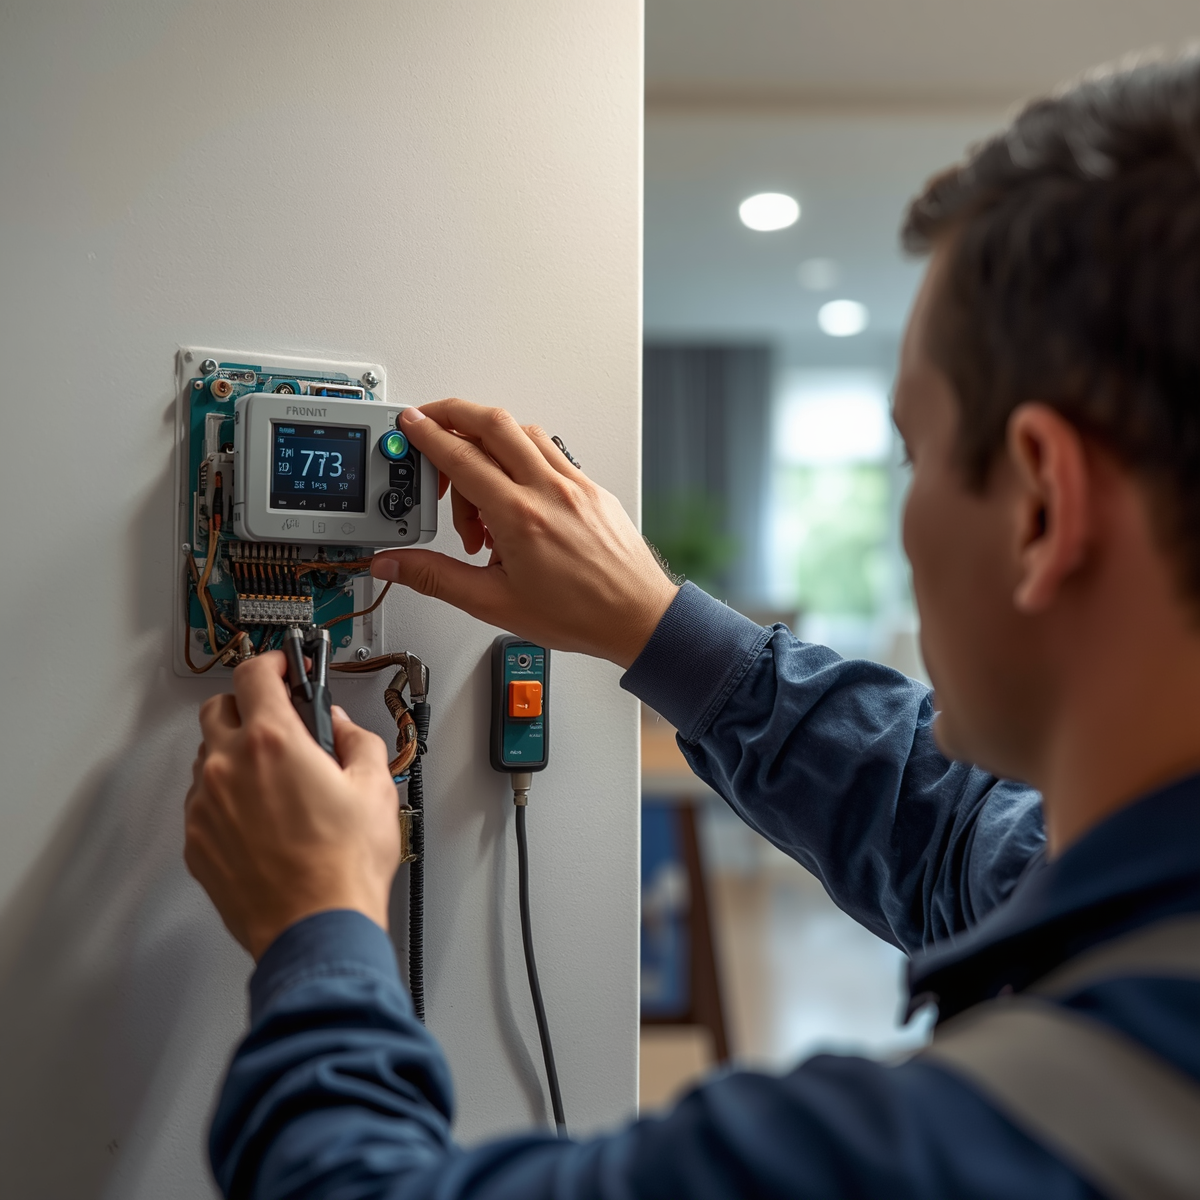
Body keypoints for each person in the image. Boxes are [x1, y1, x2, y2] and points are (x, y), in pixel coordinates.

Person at [185, 54, 1200, 1200]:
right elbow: (944, 828)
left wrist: (318, 920)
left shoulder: (936, 1157)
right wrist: (654, 621)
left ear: (1042, 506)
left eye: (908, 454)